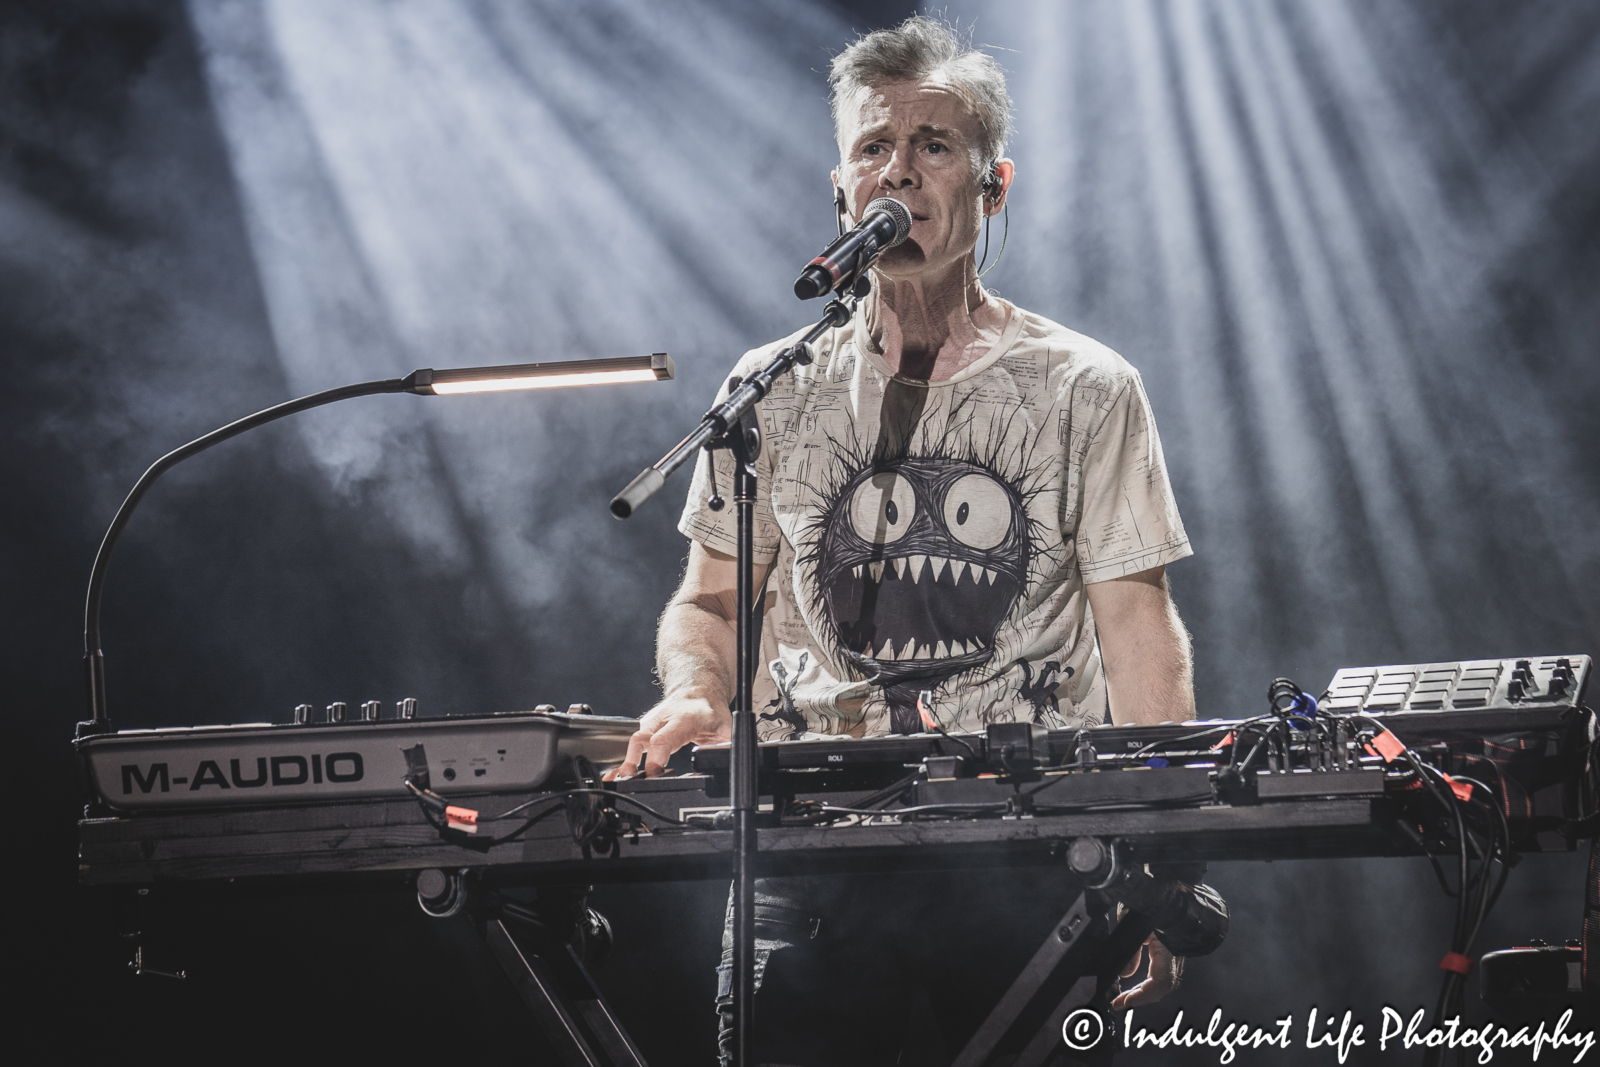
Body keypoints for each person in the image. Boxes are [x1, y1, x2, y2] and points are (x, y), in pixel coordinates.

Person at [615, 16, 1208, 1063]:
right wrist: (699, 690)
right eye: (874, 148)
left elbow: (1136, 626)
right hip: (805, 856)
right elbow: (709, 602)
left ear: (993, 183)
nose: (901, 171)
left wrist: (1162, 853)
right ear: (841, 188)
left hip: (1025, 852)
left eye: (934, 145)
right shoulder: (772, 389)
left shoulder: (1084, 385)